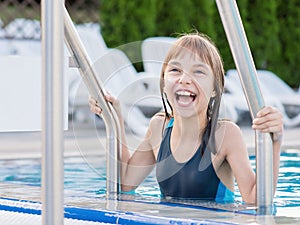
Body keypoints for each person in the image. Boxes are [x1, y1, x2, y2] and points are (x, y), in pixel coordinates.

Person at [89, 32, 283, 203]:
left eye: (198, 72)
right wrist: (116, 120)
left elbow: (255, 198)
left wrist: (275, 142)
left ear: (215, 89)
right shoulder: (158, 128)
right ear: (164, 82)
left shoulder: (225, 135)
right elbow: (125, 184)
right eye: (175, 70)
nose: (184, 79)